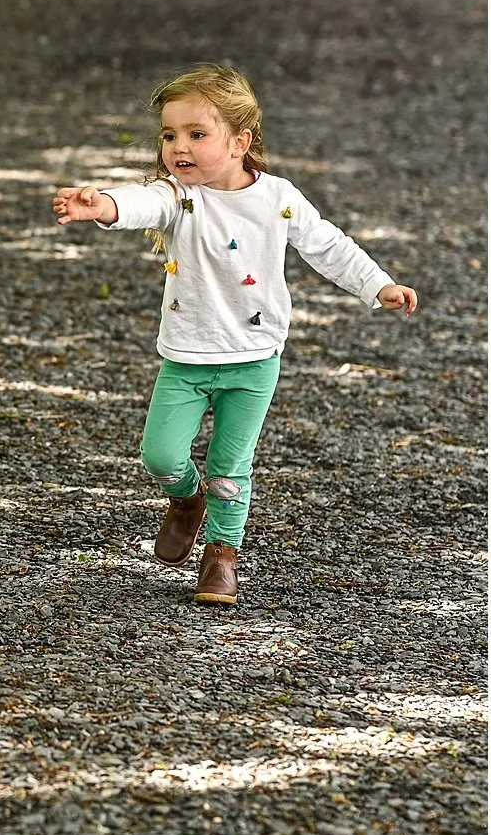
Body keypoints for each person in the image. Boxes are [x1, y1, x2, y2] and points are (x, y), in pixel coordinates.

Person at [51, 64, 417, 605]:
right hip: (187, 357)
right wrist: (104, 204)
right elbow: (140, 202)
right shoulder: (179, 197)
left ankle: (222, 554)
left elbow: (328, 246)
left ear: (240, 142)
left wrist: (378, 285)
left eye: (197, 135)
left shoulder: (278, 198)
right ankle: (186, 499)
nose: (180, 147)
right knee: (160, 455)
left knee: (231, 463)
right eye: (170, 135)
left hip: (253, 358)